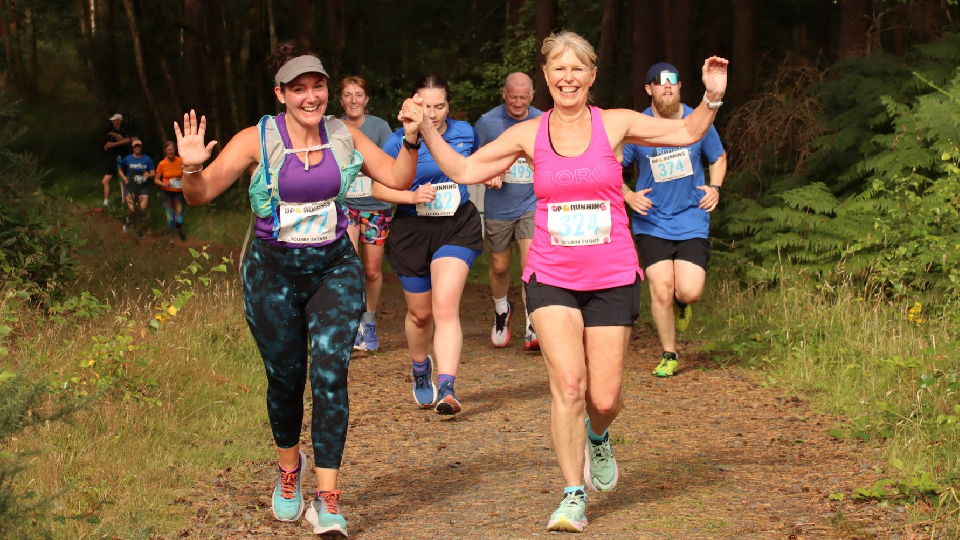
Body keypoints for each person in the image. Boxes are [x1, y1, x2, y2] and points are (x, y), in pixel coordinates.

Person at [407, 31, 727, 533]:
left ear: (592, 77)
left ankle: (598, 438)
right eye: (558, 68)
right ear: (546, 78)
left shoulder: (615, 124)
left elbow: (687, 134)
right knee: (569, 386)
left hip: (612, 274)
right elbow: (465, 167)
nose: (568, 77)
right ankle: (572, 494)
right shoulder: (528, 135)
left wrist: (711, 95)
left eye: (577, 68)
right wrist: (426, 130)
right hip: (552, 274)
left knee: (603, 398)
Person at [174, 42, 422, 537]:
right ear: (280, 93)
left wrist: (411, 140)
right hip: (272, 275)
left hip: (333, 268)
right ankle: (290, 473)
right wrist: (190, 166)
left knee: (331, 376)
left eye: (318, 86)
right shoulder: (255, 138)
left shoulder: (343, 135)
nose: (311, 97)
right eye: (299, 88)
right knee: (286, 379)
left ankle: (328, 499)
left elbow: (397, 176)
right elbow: (199, 195)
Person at [379, 74, 487, 416]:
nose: (433, 113)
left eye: (440, 106)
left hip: (457, 225)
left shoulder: (465, 132)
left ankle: (448, 387)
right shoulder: (399, 140)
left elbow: (479, 162)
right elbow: (376, 188)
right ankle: (420, 367)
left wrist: (490, 173)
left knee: (444, 306)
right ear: (412, 104)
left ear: (449, 105)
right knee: (421, 314)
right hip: (412, 229)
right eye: (425, 106)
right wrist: (409, 195)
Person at [621, 62, 727, 378]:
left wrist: (716, 187)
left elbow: (718, 157)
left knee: (689, 291)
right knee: (661, 290)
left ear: (680, 86)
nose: (667, 86)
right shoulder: (637, 126)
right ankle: (670, 353)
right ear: (649, 89)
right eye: (659, 81)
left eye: (673, 81)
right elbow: (612, 166)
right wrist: (628, 195)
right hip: (651, 220)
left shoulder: (698, 120)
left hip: (692, 217)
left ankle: (684, 304)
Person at [473, 73, 543, 351]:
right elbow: (474, 161)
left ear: (532, 96)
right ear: (504, 93)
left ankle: (532, 323)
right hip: (499, 206)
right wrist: (488, 175)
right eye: (512, 96)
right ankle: (502, 310)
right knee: (500, 266)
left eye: (522, 97)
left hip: (532, 203)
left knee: (530, 266)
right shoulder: (488, 122)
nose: (517, 102)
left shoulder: (542, 120)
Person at [338, 76, 394, 352]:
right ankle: (348, 323)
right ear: (340, 100)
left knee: (372, 270)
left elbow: (388, 163)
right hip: (345, 205)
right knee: (348, 264)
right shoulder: (334, 128)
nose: (353, 100)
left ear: (366, 99)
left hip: (375, 207)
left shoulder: (380, 127)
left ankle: (368, 324)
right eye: (347, 95)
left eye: (358, 95)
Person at [117, 138, 155, 234]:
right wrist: (124, 178)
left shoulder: (147, 159)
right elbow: (120, 171)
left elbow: (153, 173)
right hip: (130, 186)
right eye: (135, 146)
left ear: (141, 148)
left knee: (142, 209)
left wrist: (149, 175)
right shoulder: (127, 159)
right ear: (133, 148)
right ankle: (128, 221)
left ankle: (140, 227)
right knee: (132, 209)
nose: (137, 148)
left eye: (139, 146)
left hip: (143, 187)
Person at [154, 141, 187, 246]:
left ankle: (179, 230)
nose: (171, 152)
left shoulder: (181, 161)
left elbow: (187, 175)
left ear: (175, 150)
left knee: (179, 218)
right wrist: (164, 184)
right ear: (165, 151)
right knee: (171, 217)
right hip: (166, 193)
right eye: (168, 150)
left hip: (179, 193)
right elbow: (156, 179)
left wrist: (185, 183)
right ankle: (171, 239)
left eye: (172, 149)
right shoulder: (162, 164)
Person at [100, 113, 132, 208]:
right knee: (105, 180)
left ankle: (124, 200)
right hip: (111, 158)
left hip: (120, 157)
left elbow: (126, 140)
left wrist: (114, 144)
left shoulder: (124, 130)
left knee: (121, 179)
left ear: (119, 121)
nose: (113, 122)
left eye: (114, 120)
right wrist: (107, 146)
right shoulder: (112, 131)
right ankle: (106, 201)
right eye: (112, 121)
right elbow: (110, 142)